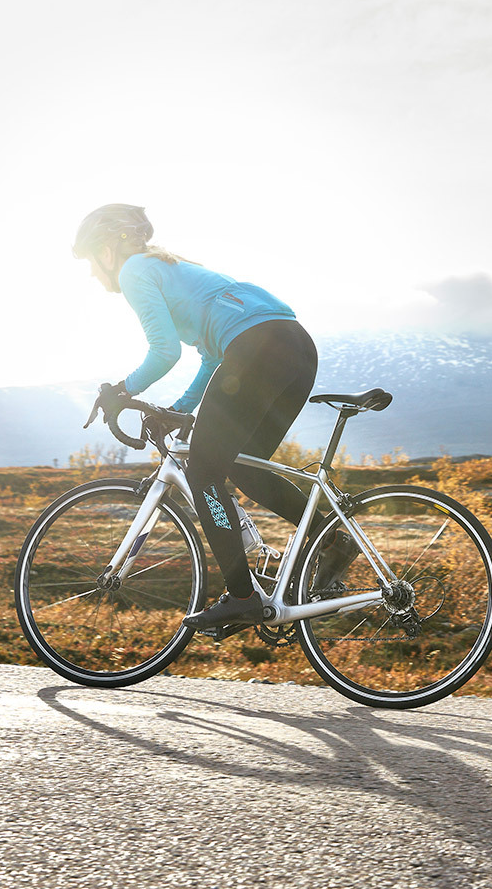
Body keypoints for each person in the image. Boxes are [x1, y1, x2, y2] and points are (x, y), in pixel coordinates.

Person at [73, 202, 318, 630]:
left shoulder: (134, 270)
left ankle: (242, 597)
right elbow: (210, 359)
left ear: (108, 250)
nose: (93, 275)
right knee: (244, 464)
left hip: (255, 349)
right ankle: (329, 537)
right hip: (294, 347)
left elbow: (164, 351)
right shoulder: (175, 270)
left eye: (91, 262)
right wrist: (180, 410)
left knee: (204, 473)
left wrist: (121, 390)